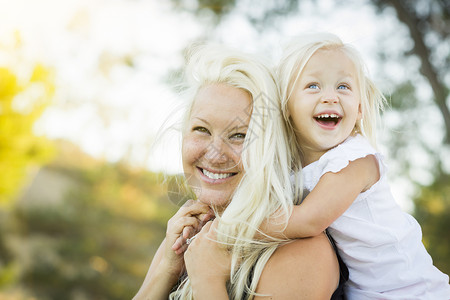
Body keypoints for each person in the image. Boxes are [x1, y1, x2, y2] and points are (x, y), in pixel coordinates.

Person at [133, 44, 348, 299]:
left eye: (239, 136)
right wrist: (168, 269)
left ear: (274, 148)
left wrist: (208, 280)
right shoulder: (193, 232)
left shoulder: (303, 253)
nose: (214, 154)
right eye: (201, 130)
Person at [264, 32, 450, 299]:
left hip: (411, 290)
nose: (330, 97)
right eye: (313, 86)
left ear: (359, 109)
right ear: (286, 107)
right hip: (368, 291)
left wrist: (235, 224)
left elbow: (308, 221)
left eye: (343, 87)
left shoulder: (355, 159)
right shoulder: (292, 169)